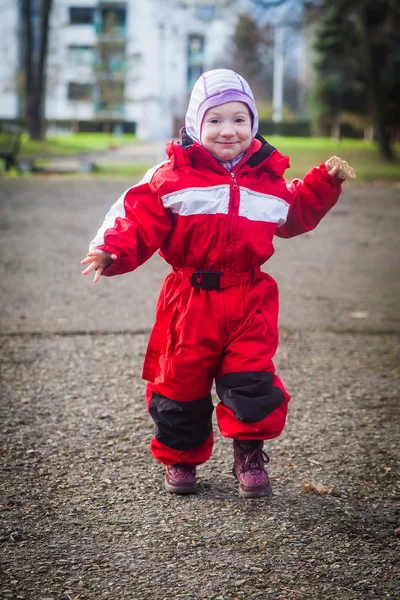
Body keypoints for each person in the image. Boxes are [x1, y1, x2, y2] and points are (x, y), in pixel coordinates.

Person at [81, 69, 355, 499]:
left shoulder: (267, 179)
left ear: (253, 125)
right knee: (179, 383)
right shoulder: (172, 177)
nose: (228, 130)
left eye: (239, 119)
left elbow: (294, 214)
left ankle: (248, 453)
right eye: (215, 120)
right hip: (189, 300)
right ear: (195, 124)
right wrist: (113, 250)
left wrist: (322, 183)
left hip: (250, 297)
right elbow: (137, 219)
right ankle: (181, 459)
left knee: (251, 379)